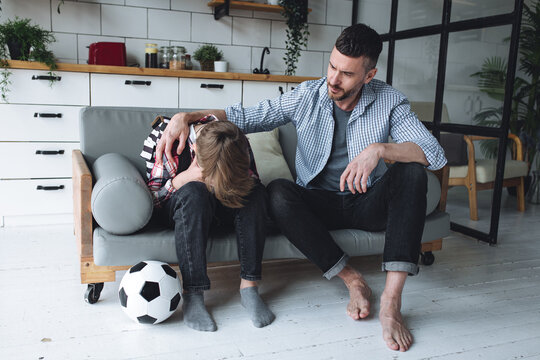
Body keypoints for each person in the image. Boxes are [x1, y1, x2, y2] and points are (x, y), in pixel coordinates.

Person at [155, 24, 447, 351]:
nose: (334, 80)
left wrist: (381, 149)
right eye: (332, 66)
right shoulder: (309, 95)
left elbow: (433, 154)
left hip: (367, 202)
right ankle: (354, 281)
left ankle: (392, 304)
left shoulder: (389, 101)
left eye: (347, 74)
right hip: (316, 208)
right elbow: (245, 116)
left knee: (413, 174)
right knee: (278, 191)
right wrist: (187, 115)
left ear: (369, 75)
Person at [141, 115, 275, 331]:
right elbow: (151, 200)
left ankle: (249, 287)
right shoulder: (166, 138)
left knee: (256, 192)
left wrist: (229, 184)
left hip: (223, 208)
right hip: (181, 207)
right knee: (195, 192)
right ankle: (193, 294)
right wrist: (183, 179)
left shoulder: (238, 143)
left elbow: (249, 180)